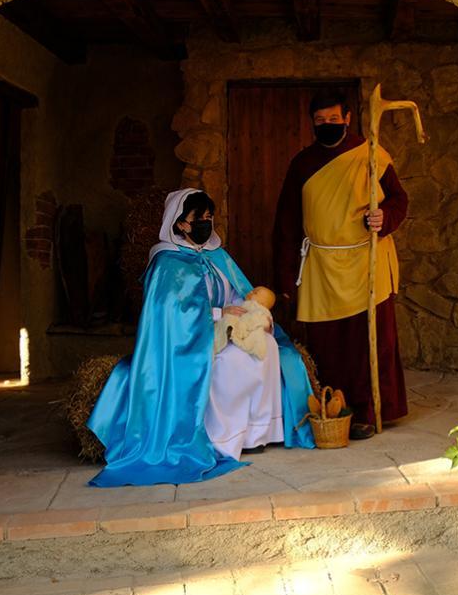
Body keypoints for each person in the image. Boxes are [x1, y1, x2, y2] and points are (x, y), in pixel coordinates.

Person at [87, 189, 315, 487]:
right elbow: (172, 316)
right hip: (191, 343)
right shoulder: (166, 263)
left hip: (229, 327)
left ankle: (258, 432)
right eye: (201, 218)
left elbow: (238, 292)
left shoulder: (216, 255)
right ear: (181, 223)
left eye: (210, 217)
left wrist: (250, 313)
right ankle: (224, 437)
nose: (207, 223)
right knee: (235, 360)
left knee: (268, 346)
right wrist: (219, 314)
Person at [273, 91, 409, 440]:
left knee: (368, 343)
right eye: (320, 121)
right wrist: (285, 277)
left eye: (333, 119)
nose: (327, 125)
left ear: (347, 118)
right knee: (328, 343)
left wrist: (383, 217)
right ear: (312, 123)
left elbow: (398, 200)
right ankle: (334, 408)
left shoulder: (371, 155)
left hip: (366, 261)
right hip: (322, 265)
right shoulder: (302, 164)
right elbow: (287, 222)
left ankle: (371, 410)